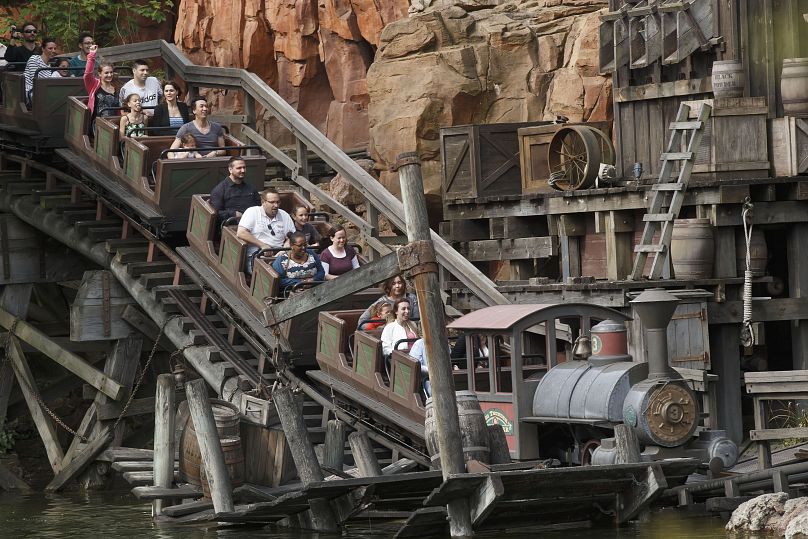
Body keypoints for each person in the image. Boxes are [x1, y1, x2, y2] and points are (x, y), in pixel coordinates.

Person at [237, 188, 296, 274]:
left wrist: (284, 250)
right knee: (275, 273)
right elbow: (241, 233)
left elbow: (292, 237)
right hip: (258, 255)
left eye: (278, 202)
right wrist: (263, 245)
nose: (276, 205)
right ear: (263, 202)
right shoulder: (252, 212)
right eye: (272, 202)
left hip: (280, 253)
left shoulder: (284, 215)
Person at [209, 156, 260, 222]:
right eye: (239, 168)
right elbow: (216, 212)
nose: (243, 170)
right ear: (230, 170)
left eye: (244, 167)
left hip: (253, 223)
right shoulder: (219, 190)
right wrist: (233, 214)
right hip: (231, 226)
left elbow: (258, 206)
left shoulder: (251, 188)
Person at [83, 44, 120, 134]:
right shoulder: (94, 85)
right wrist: (91, 56)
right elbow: (87, 75)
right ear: (100, 74)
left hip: (113, 124)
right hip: (97, 124)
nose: (110, 75)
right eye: (106, 73)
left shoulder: (116, 87)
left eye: (111, 72)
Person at [23, 37, 57, 105]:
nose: (53, 51)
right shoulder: (34, 59)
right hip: (31, 91)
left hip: (44, 91)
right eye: (50, 48)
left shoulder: (49, 65)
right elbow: (36, 81)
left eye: (54, 48)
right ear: (43, 49)